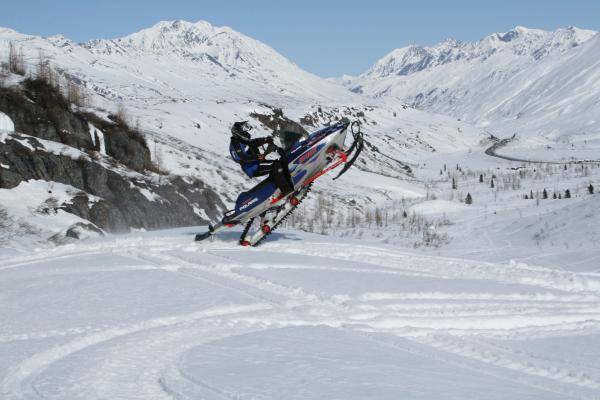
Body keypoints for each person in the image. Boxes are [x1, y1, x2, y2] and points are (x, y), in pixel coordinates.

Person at [229, 121, 294, 196]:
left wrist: (265, 140)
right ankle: (287, 191)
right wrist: (257, 157)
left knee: (279, 164)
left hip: (256, 163)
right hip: (252, 168)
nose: (246, 131)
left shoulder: (241, 140)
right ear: (238, 132)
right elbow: (243, 158)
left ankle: (282, 184)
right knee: (276, 165)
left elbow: (254, 142)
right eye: (244, 129)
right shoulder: (235, 145)